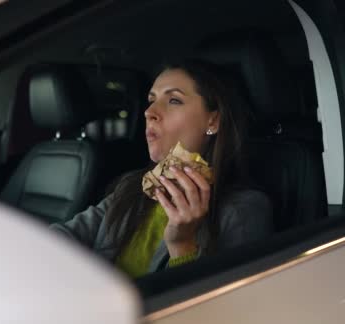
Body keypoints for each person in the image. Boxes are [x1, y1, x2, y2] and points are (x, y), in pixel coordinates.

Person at [50, 59, 273, 278]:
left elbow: (220, 309)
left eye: (174, 100)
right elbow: (60, 237)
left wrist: (182, 246)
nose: (149, 112)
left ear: (213, 121)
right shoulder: (132, 187)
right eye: (151, 100)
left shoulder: (242, 210)